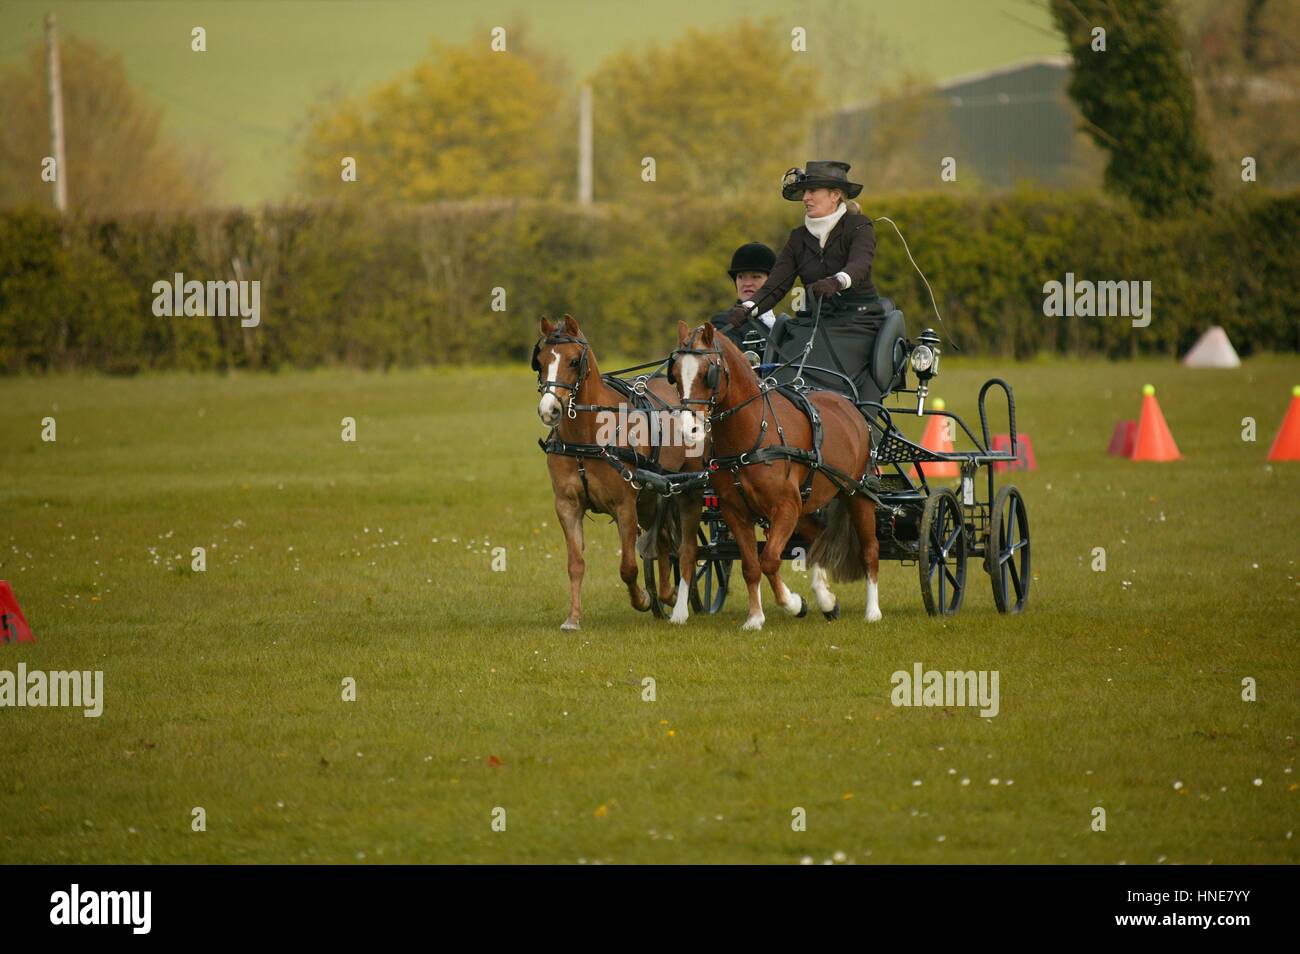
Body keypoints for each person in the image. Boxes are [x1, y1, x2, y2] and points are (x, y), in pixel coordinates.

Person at [726, 161, 888, 402]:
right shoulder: (798, 238)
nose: (806, 198)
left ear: (835, 195)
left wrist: (837, 281)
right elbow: (776, 285)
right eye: (804, 192)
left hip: (859, 322)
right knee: (785, 368)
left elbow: (860, 265)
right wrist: (748, 308)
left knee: (827, 366)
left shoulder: (859, 226)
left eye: (812, 191)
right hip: (814, 323)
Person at [710, 242, 788, 360]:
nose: (747, 284)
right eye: (741, 277)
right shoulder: (724, 322)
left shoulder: (785, 325)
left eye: (755, 277)